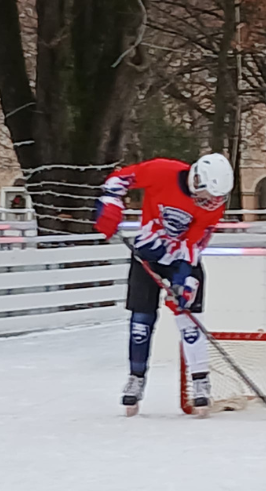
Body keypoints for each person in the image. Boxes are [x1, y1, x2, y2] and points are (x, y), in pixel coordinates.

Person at [93, 153, 233, 417]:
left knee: (189, 320)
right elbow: (118, 179)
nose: (212, 203)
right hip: (148, 253)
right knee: (141, 322)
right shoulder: (162, 171)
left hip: (182, 259)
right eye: (208, 196)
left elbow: (194, 243)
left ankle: (201, 381)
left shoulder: (213, 206)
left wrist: (184, 280)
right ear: (197, 179)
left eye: (217, 198)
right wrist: (110, 204)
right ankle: (136, 378)